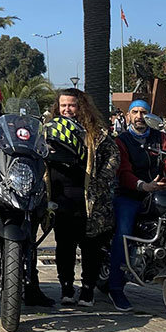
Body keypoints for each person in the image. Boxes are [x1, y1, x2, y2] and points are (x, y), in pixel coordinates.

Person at [45, 89, 119, 308]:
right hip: (60, 196)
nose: (67, 109)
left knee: (90, 246)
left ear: (81, 106)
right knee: (64, 245)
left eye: (72, 105)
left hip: (89, 199)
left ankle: (88, 290)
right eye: (63, 105)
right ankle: (66, 288)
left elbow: (113, 157)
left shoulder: (96, 133)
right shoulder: (50, 130)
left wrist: (100, 179)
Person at [109, 100, 166, 312]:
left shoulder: (160, 139)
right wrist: (143, 185)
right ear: (128, 116)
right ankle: (116, 288)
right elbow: (123, 171)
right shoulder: (122, 140)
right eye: (135, 112)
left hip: (159, 193)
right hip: (130, 194)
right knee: (123, 232)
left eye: (144, 112)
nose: (140, 116)